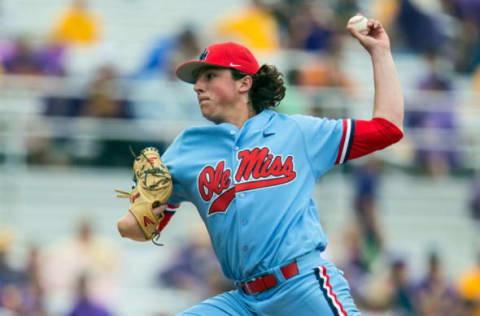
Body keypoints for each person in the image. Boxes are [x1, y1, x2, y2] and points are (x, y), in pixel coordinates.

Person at [117, 15, 404, 315]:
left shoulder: (297, 133)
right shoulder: (186, 149)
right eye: (196, 80)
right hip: (243, 300)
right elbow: (141, 228)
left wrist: (380, 53)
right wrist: (132, 222)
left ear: (245, 82)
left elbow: (388, 127)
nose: (197, 86)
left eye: (209, 76)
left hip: (301, 286)